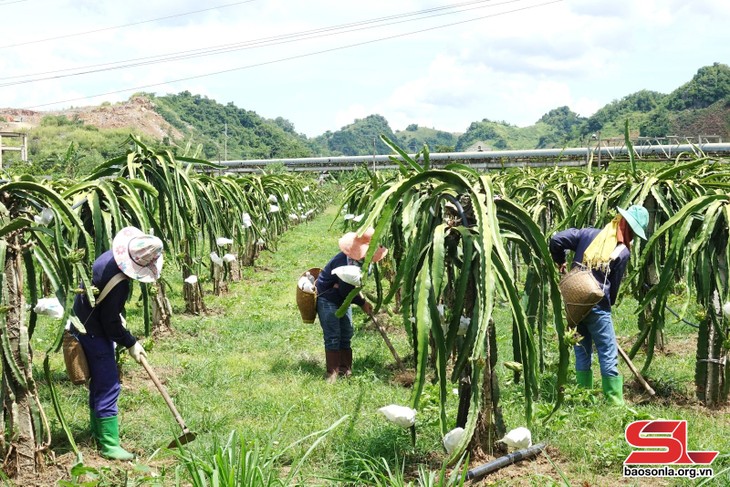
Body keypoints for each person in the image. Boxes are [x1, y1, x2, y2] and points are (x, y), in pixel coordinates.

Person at [71, 227, 164, 460]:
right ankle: (110, 444)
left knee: (100, 382)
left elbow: (102, 300)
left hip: (83, 319)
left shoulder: (107, 257)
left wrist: (114, 313)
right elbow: (110, 323)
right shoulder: (119, 284)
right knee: (109, 383)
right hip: (94, 331)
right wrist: (130, 342)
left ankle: (97, 432)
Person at [549, 205, 649, 405]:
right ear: (629, 228)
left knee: (582, 349)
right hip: (597, 303)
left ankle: (582, 396)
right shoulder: (622, 251)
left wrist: (560, 261)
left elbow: (556, 239)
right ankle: (614, 401)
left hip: (574, 303)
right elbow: (614, 286)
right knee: (607, 351)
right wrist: (605, 307)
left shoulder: (587, 234)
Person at [315, 227, 387, 383]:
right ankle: (332, 373)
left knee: (346, 333)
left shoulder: (362, 262)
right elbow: (345, 291)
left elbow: (348, 289)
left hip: (343, 298)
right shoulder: (344, 263)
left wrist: (357, 298)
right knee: (333, 335)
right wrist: (362, 303)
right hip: (328, 299)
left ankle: (345, 369)